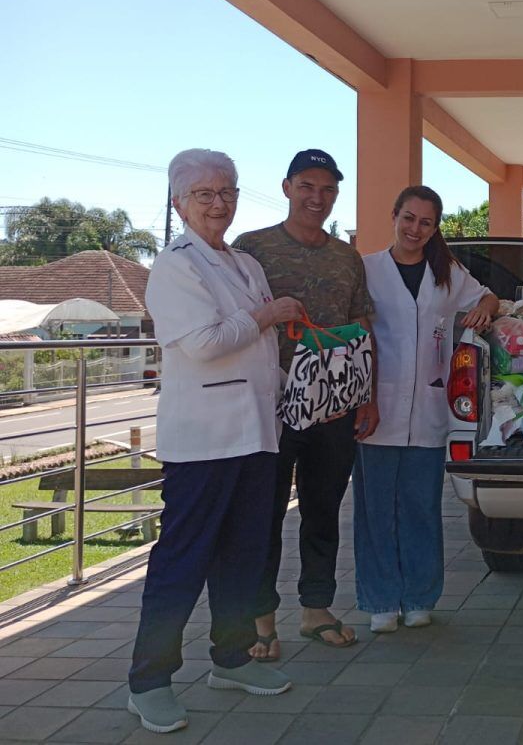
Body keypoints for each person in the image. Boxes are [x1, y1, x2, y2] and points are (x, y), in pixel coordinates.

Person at [128, 149, 303, 733]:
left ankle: (232, 659)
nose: (218, 203)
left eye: (226, 191)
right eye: (204, 194)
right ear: (178, 202)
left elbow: (258, 347)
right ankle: (149, 681)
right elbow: (203, 343)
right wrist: (268, 315)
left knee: (245, 555)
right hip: (203, 442)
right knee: (183, 560)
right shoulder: (175, 265)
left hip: (256, 434)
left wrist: (292, 379)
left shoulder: (245, 264)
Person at [233, 150, 378, 659]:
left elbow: (363, 328)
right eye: (308, 187)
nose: (318, 198)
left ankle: (316, 610)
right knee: (263, 513)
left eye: (328, 189)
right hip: (270, 405)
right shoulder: (251, 248)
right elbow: (231, 319)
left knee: (323, 510)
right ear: (287, 187)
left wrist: (368, 397)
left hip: (334, 407)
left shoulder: (346, 257)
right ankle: (261, 620)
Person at [355, 186, 498, 632]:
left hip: (430, 409)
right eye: (409, 218)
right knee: (376, 508)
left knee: (420, 506)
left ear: (435, 228)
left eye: (426, 222)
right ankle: (381, 601)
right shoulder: (367, 269)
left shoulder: (447, 272)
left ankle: (419, 597)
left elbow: (488, 296)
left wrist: (483, 313)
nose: (416, 229)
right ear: (394, 215)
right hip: (376, 405)